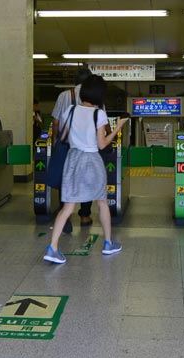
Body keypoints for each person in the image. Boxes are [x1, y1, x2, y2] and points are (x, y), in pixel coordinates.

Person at [44, 74, 129, 265]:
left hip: (72, 160)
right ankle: (108, 243)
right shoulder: (98, 114)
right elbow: (102, 144)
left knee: (67, 207)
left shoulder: (70, 111)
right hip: (91, 161)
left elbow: (64, 137)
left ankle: (53, 247)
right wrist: (118, 128)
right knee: (101, 202)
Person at [52, 66, 94, 226]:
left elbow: (56, 122)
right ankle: (84, 215)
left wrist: (56, 140)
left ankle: (66, 214)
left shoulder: (64, 96)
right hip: (87, 147)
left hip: (67, 146)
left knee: (66, 179)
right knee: (86, 180)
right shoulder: (94, 97)